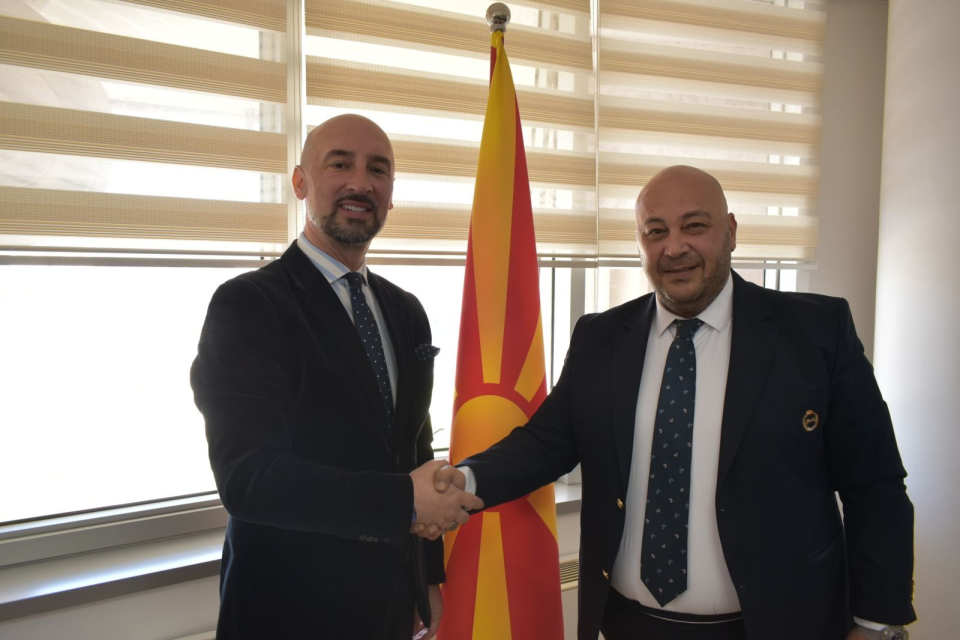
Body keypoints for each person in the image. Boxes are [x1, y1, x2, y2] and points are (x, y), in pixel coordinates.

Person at [438, 166, 915, 639]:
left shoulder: (816, 333)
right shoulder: (599, 337)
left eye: (695, 225)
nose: (675, 247)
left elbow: (874, 483)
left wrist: (875, 622)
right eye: (656, 231)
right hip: (629, 625)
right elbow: (547, 442)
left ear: (730, 232)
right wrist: (465, 479)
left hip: (777, 625)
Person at [191, 114, 482, 640]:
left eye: (378, 170)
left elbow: (414, 452)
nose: (360, 183)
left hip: (391, 605)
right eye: (340, 164)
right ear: (301, 182)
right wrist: (402, 502)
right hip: (286, 610)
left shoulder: (406, 311)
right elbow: (248, 478)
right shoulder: (248, 305)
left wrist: (427, 578)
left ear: (391, 195)